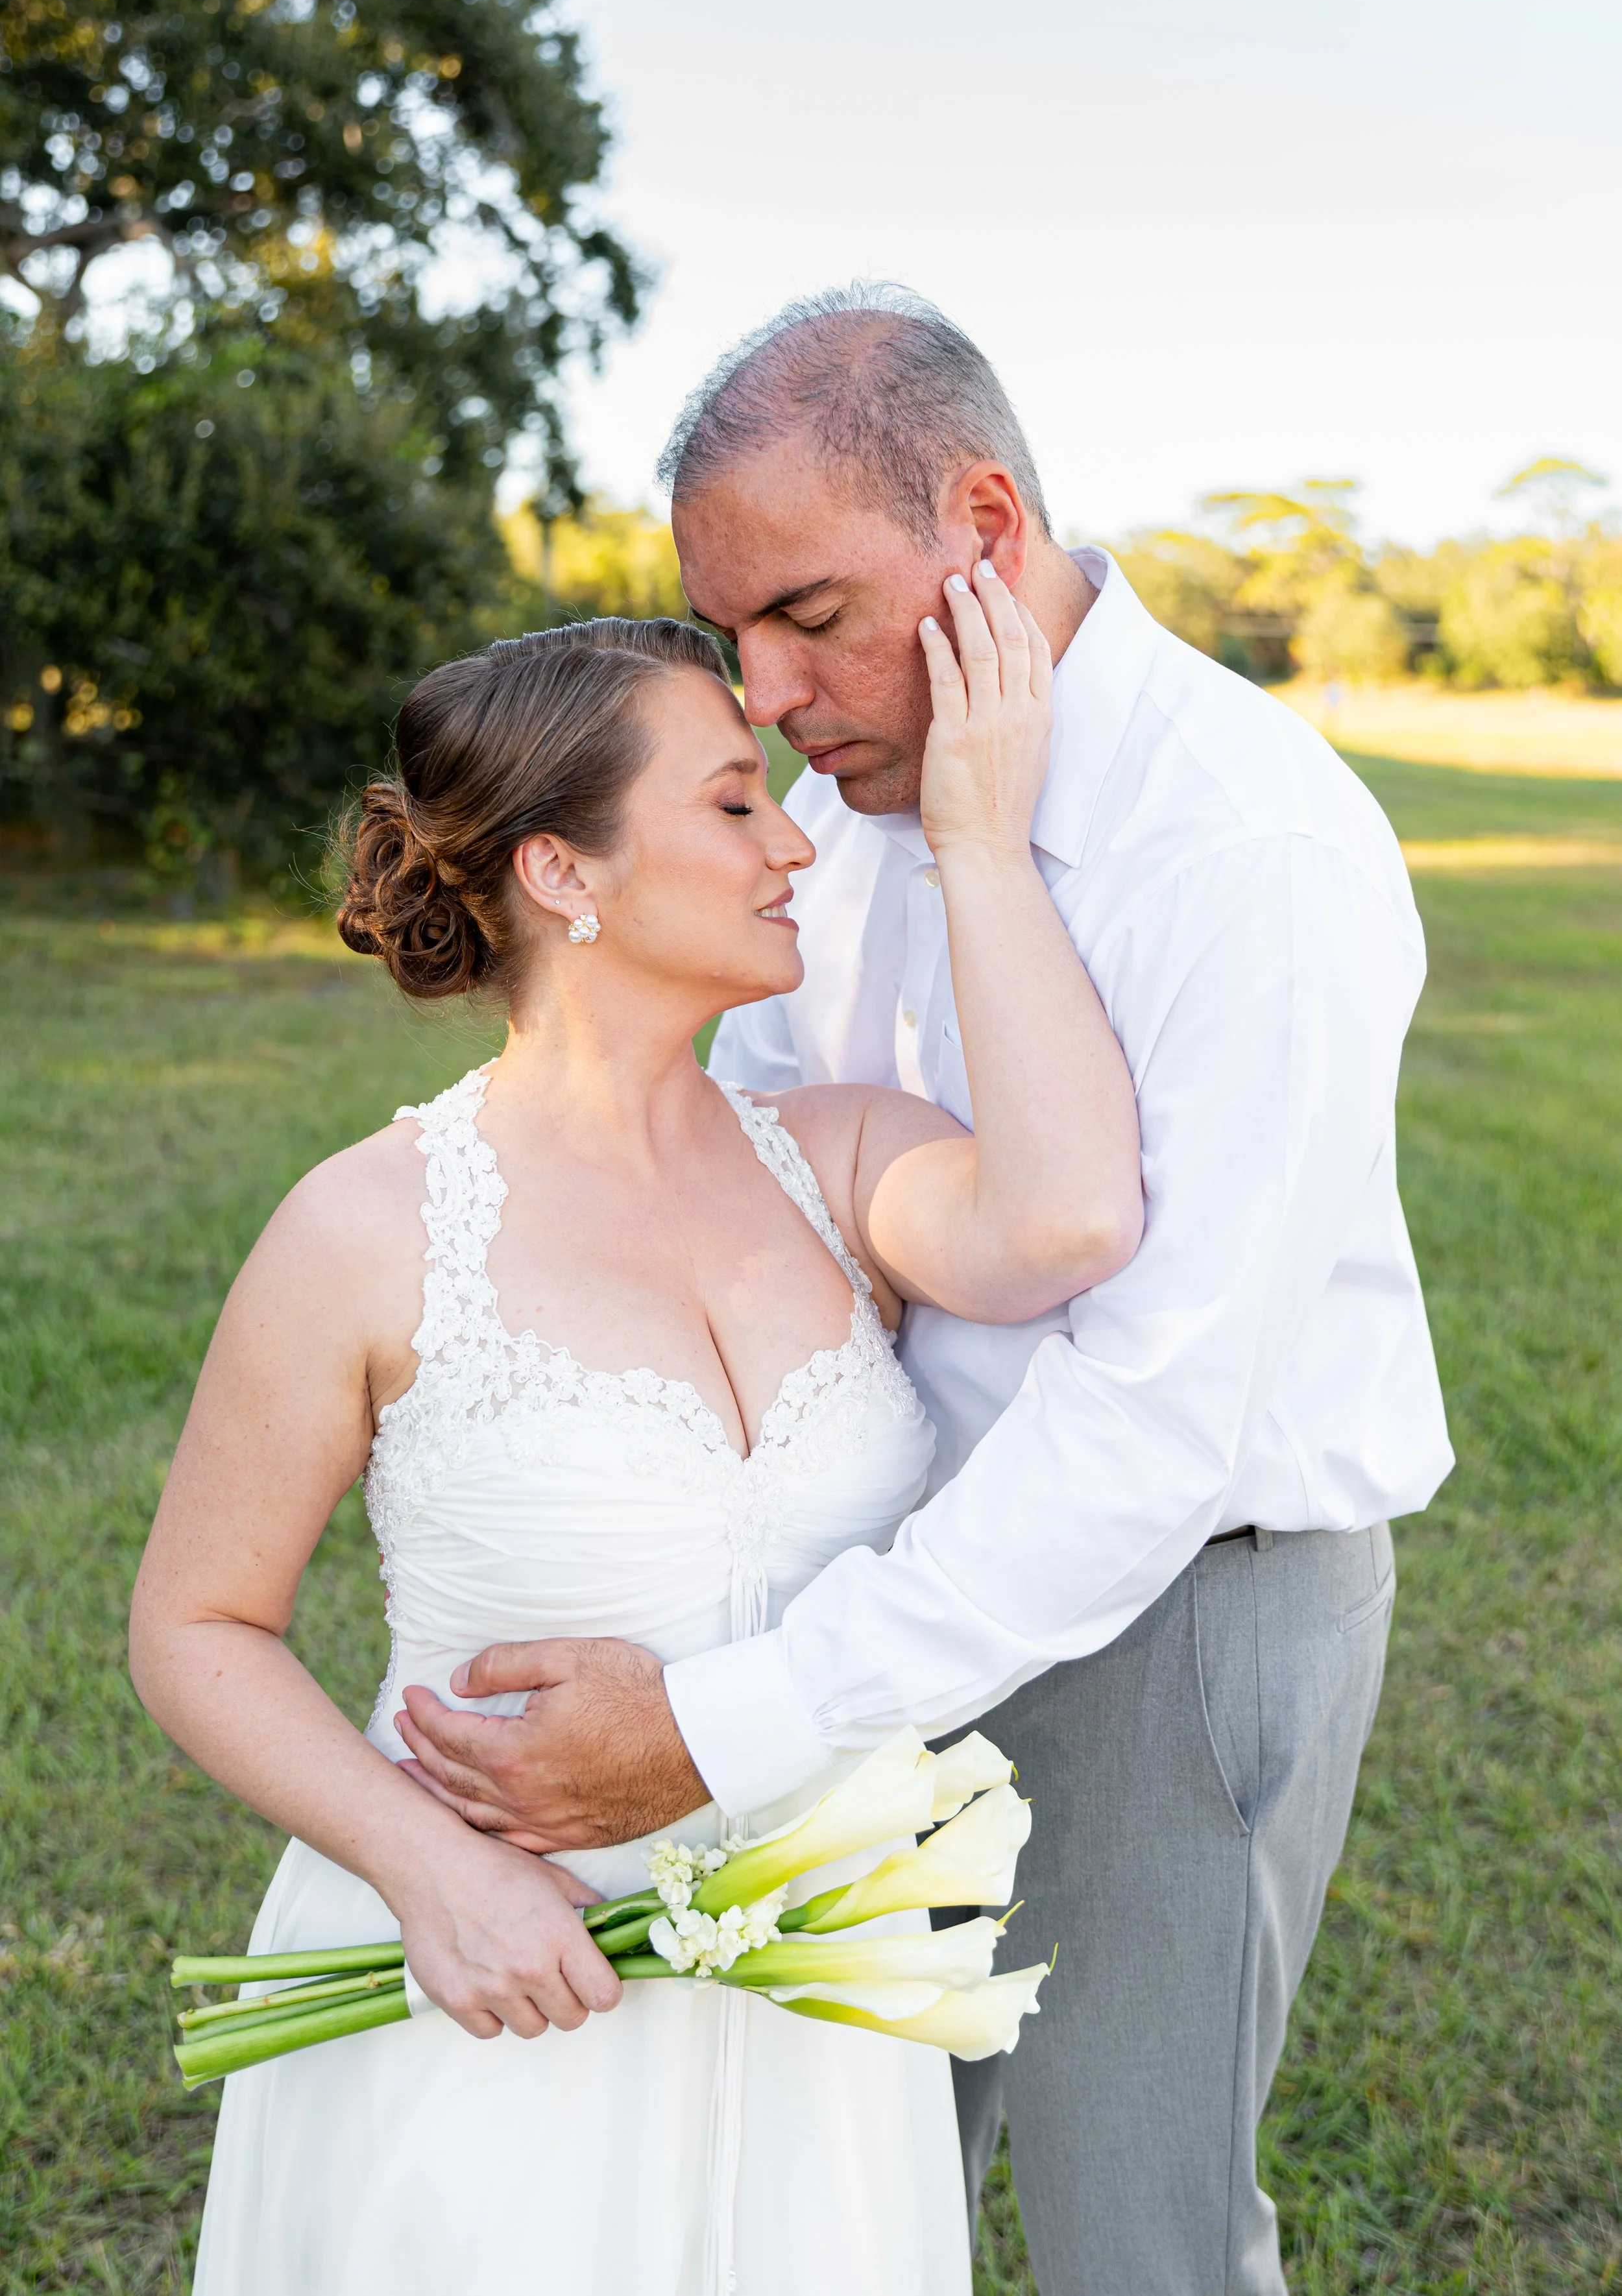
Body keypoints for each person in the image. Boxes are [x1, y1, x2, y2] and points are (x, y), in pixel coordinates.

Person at [394, 287, 1455, 2296]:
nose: (770, 694)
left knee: (1130, 2233)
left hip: (1180, 1604)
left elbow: (1156, 1411)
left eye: (808, 612)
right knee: (850, 2190)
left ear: (981, 521)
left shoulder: (1245, 844)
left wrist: (731, 1720)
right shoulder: (838, 821)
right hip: (876, 1573)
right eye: (730, 636)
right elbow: (777, 1199)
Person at [128, 601, 1144, 2295]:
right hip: (488, 1992)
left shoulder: (844, 1162)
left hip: (818, 2006)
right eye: (731, 802)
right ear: (562, 874)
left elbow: (1058, 1219)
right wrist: (435, 1875)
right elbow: (194, 1624)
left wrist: (978, 841)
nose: (792, 850)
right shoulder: (364, 1228)